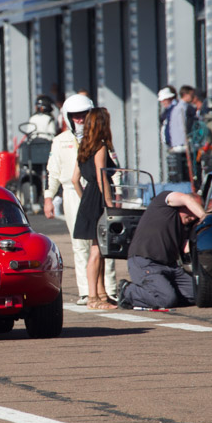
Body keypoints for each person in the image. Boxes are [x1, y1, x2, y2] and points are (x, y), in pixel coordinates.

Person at [44, 93, 97, 304]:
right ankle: (86, 291)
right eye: (75, 115)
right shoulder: (59, 141)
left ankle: (107, 289)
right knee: (79, 243)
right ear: (67, 116)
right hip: (70, 191)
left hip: (95, 188)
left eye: (83, 114)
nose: (80, 119)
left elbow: (113, 165)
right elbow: (53, 172)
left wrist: (117, 192)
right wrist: (48, 198)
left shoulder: (99, 137)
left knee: (102, 242)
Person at [115, 191, 206, 310]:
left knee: (200, 295)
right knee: (167, 300)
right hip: (146, 263)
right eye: (192, 210)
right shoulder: (163, 203)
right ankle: (127, 291)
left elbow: (186, 248)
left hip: (171, 268)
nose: (193, 217)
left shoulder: (184, 227)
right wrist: (204, 217)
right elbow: (186, 198)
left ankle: (163, 292)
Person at [72, 109, 117, 309]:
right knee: (97, 251)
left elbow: (74, 180)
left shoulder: (83, 147)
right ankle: (93, 298)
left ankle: (101, 294)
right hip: (98, 199)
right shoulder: (100, 147)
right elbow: (101, 178)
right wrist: (109, 204)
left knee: (99, 249)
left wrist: (85, 200)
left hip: (89, 198)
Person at [164, 85, 197, 182]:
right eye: (191, 94)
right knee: (185, 170)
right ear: (185, 95)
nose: (193, 97)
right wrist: (184, 141)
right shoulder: (182, 108)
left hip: (179, 143)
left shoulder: (178, 108)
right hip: (181, 144)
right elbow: (182, 126)